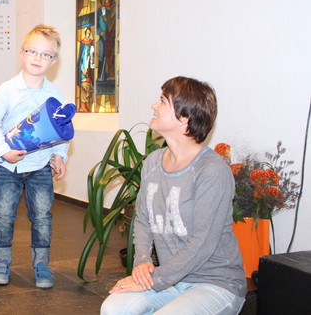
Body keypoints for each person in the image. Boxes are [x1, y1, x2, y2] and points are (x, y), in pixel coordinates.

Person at [101, 76, 246, 314]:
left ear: (184, 118)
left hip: (215, 283)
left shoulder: (211, 171)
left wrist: (155, 280)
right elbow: (143, 220)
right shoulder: (153, 162)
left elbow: (201, 245)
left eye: (162, 101)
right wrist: (142, 264)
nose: (154, 106)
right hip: (171, 279)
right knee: (113, 308)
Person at [0, 24, 69, 289]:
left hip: (40, 166)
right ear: (22, 53)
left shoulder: (54, 93)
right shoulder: (8, 89)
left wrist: (59, 155)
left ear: (53, 61)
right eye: (32, 51)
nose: (37, 58)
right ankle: (2, 263)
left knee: (42, 217)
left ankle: (42, 265)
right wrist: (3, 152)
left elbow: (61, 130)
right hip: (9, 167)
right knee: (5, 216)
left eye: (45, 54)